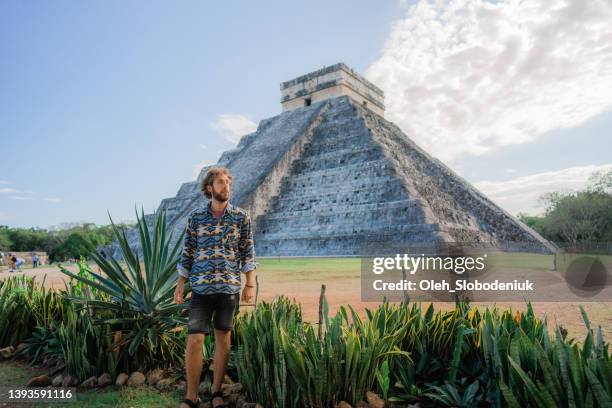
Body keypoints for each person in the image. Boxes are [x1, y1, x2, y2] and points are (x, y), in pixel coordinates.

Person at [174, 167, 257, 408]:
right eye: (220, 183)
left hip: (229, 287)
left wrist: (249, 283)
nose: (226, 187)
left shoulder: (241, 217)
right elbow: (187, 251)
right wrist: (180, 284)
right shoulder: (196, 218)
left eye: (228, 183)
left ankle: (216, 392)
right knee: (195, 340)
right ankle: (191, 395)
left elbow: (247, 250)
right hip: (200, 287)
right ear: (209, 188)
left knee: (223, 338)